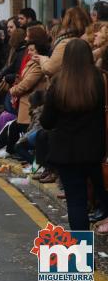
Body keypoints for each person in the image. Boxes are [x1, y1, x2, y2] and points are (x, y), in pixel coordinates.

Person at [40, 39, 107, 230]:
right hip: (97, 151)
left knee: (76, 203)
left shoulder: (58, 83)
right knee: (103, 196)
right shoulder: (100, 80)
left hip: (66, 152)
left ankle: (83, 256)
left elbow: (46, 121)